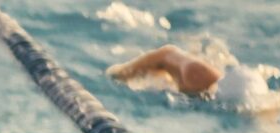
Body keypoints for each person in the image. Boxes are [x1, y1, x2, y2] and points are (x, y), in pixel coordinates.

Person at [106, 44, 268, 103]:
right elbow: (166, 54)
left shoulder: (196, 75)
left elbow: (166, 54)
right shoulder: (198, 76)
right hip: (249, 89)